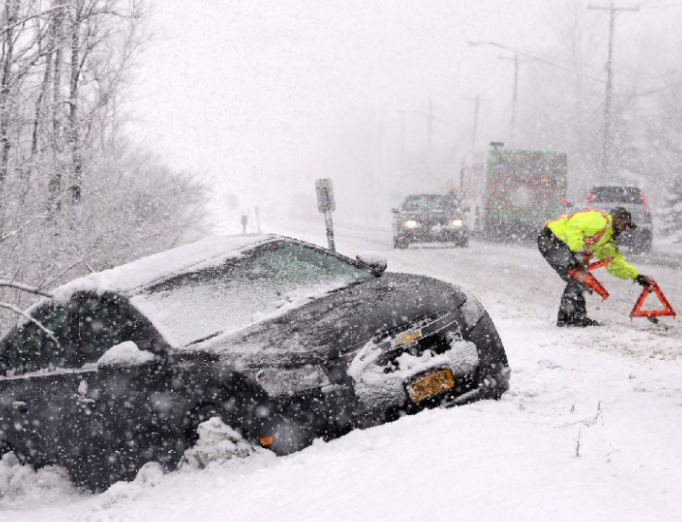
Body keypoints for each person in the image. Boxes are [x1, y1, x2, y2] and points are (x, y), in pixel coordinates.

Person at [537, 206, 653, 327]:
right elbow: (573, 227)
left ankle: (571, 318)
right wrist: (580, 252)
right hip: (551, 238)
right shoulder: (600, 221)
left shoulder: (607, 240)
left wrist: (637, 277)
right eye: (625, 224)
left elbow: (615, 264)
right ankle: (571, 319)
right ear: (618, 218)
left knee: (578, 278)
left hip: (558, 243)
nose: (625, 229)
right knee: (578, 277)